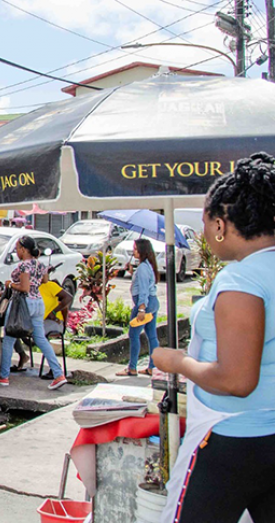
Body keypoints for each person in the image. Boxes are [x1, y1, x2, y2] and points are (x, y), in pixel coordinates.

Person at [154, 152, 275, 523]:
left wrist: (177, 362)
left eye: (206, 224)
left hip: (230, 439)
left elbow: (237, 380)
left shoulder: (242, 279)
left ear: (220, 225)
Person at [0, 236, 67, 390]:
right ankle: (58, 374)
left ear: (23, 249)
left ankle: (4, 376)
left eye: (17, 248)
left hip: (23, 304)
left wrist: (11, 284)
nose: (16, 251)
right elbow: (45, 280)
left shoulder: (24, 266)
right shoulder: (39, 265)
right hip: (38, 302)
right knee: (40, 339)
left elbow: (24, 288)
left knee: (9, 339)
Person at [116, 239, 159, 377]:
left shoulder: (142, 269)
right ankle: (152, 366)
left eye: (135, 249)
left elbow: (143, 291)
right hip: (152, 303)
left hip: (145, 304)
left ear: (141, 251)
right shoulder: (146, 266)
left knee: (134, 335)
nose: (133, 251)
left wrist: (141, 309)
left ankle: (132, 367)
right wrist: (131, 271)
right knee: (151, 335)